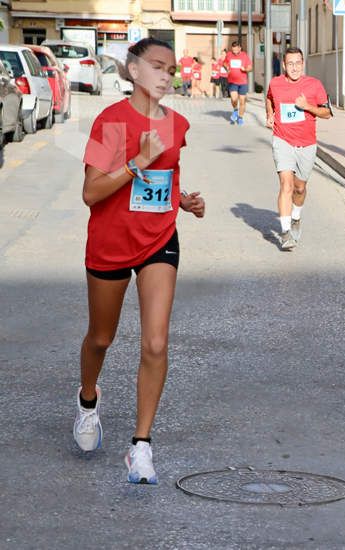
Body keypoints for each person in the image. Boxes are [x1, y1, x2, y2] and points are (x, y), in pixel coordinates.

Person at [74, 37, 205, 484]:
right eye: (156, 66)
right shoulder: (112, 122)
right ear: (133, 71)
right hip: (110, 243)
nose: (166, 75)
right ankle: (88, 399)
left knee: (155, 342)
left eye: (171, 69)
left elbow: (163, 177)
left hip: (158, 239)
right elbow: (92, 193)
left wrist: (182, 201)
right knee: (101, 338)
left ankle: (141, 446)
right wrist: (136, 161)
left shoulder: (179, 124)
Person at [264, 47, 331, 250]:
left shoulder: (314, 85)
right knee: (286, 185)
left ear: (303, 63)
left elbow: (327, 113)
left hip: (307, 144)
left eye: (298, 63)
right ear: (284, 65)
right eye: (290, 63)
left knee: (299, 187)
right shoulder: (275, 83)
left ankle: (296, 217)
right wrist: (269, 114)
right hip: (282, 140)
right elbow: (269, 98)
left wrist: (307, 107)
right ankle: (285, 233)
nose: (294, 67)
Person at [223, 41, 252, 125]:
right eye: (233, 49)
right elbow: (224, 62)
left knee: (242, 101)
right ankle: (235, 110)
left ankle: (240, 117)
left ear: (240, 48)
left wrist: (245, 69)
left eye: (236, 49)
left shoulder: (244, 55)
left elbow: (250, 67)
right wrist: (227, 67)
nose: (235, 50)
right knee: (234, 99)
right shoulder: (229, 54)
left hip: (243, 82)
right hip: (232, 81)